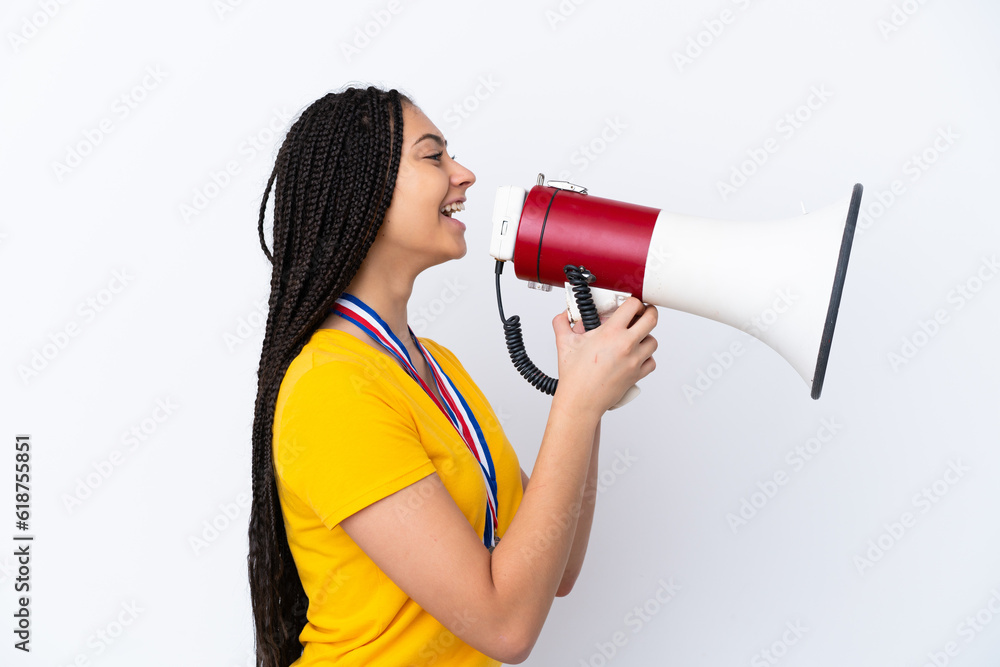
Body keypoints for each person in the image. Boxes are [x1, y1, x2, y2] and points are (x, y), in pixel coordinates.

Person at [248, 85, 658, 666]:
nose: (463, 174)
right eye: (433, 156)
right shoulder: (330, 387)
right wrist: (580, 405)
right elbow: (505, 627)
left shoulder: (434, 365)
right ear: (361, 190)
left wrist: (580, 389)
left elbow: (555, 567)